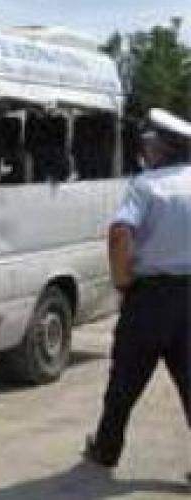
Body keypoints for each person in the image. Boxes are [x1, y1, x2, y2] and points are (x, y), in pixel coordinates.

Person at [85, 109, 191, 476]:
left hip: (150, 297)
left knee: (125, 380)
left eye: (149, 143)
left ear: (163, 147)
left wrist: (122, 280)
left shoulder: (146, 185)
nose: (145, 150)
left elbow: (120, 234)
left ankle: (106, 449)